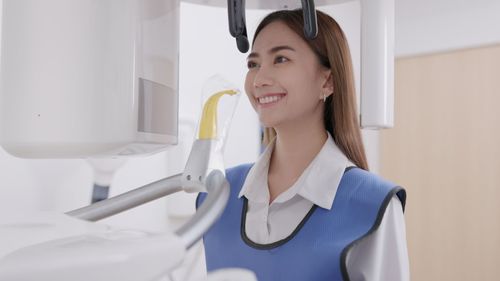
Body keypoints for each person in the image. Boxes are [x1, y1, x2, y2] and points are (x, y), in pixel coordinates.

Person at [197, 9, 409, 281]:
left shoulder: (372, 205)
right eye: (253, 64)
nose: (259, 79)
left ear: (328, 80)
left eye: (281, 59)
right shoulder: (217, 196)